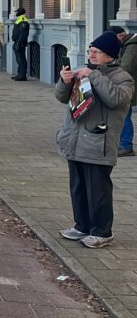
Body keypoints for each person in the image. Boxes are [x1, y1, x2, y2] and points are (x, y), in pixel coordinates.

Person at [55, 32, 134, 249]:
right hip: (75, 140)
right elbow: (62, 98)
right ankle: (82, 225)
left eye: (96, 52)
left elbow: (115, 99)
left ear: (109, 55)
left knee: (98, 190)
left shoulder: (123, 78)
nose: (92, 55)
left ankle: (102, 231)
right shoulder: (84, 72)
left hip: (98, 142)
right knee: (78, 186)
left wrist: (94, 76)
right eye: (90, 51)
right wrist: (65, 81)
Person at [112, 25, 137, 157]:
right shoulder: (127, 44)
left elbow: (126, 67)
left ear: (121, 35)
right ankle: (122, 144)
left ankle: (126, 145)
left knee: (124, 115)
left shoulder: (132, 46)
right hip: (127, 85)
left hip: (128, 86)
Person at [11, 7, 31, 80]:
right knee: (19, 59)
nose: (16, 13)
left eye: (17, 12)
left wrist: (18, 43)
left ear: (20, 12)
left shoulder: (23, 21)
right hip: (17, 41)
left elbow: (23, 34)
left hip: (20, 43)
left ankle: (22, 75)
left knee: (21, 59)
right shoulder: (19, 20)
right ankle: (19, 74)